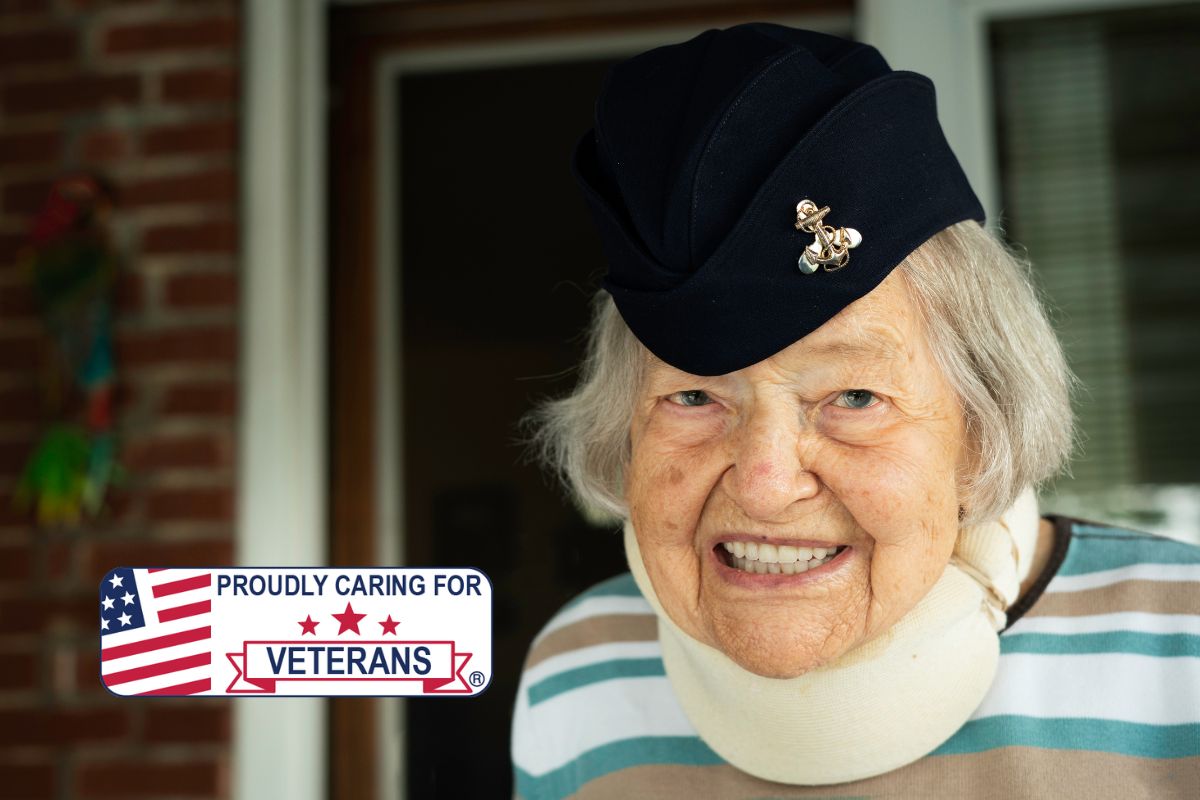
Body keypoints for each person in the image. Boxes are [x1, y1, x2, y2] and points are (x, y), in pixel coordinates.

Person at [511, 22, 1200, 799]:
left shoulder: (1185, 649)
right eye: (694, 395)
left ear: (979, 428)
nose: (767, 486)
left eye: (855, 397)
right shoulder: (578, 671)